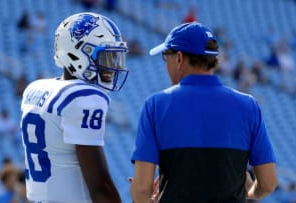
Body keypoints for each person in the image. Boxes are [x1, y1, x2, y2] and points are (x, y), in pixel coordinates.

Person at [130, 22, 278, 203]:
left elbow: (142, 188)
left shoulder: (156, 105)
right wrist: (248, 193)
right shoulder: (249, 106)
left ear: (179, 58)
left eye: (165, 57)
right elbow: (268, 184)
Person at [20, 12, 128, 203]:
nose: (112, 66)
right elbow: (100, 188)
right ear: (77, 54)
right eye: (106, 57)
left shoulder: (35, 90)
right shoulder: (84, 97)